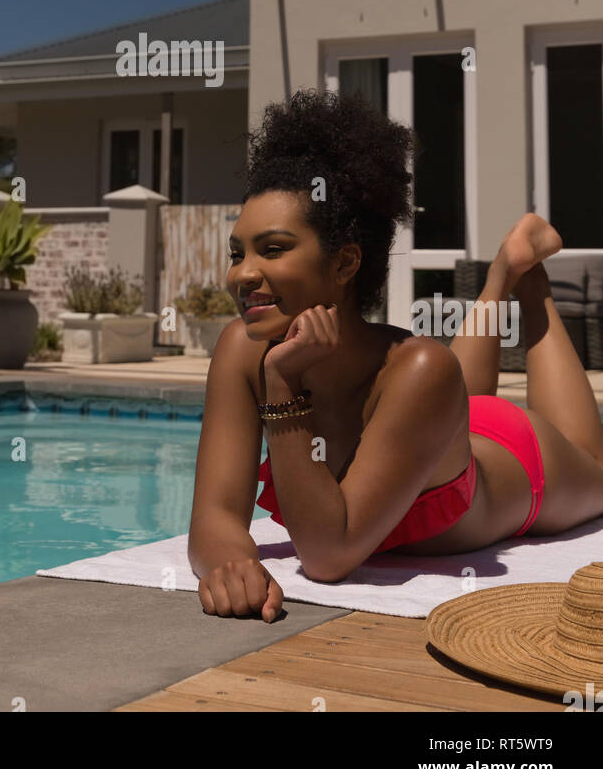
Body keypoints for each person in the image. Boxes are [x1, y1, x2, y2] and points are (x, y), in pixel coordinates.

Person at [187, 89, 603, 622]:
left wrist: (282, 384)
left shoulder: (418, 369)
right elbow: (215, 517)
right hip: (437, 425)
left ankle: (529, 280)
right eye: (236, 253)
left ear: (344, 264)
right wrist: (230, 561)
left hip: (522, 460)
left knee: (594, 462)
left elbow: (328, 554)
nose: (242, 274)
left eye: (272, 249)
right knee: (452, 391)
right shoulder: (239, 350)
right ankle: (502, 271)